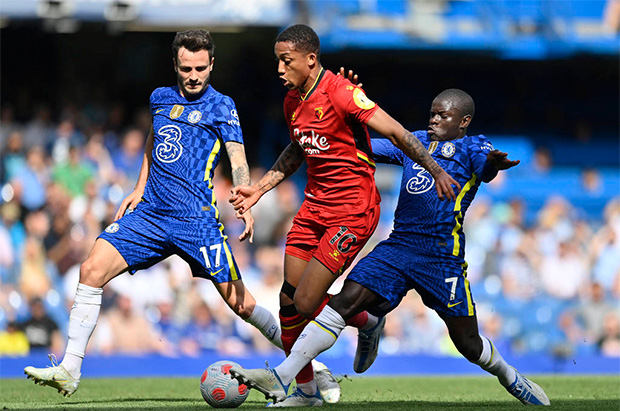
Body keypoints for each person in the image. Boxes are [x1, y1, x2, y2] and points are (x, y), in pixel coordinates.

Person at [23, 29, 337, 399]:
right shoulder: (159, 98)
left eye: (201, 68)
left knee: (243, 304)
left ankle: (312, 367)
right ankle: (70, 370)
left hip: (197, 222)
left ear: (212, 65)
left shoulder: (222, 106)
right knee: (91, 270)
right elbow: (153, 142)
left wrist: (243, 197)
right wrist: (139, 187)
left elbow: (236, 156)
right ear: (175, 64)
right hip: (151, 215)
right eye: (186, 68)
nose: (193, 76)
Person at [230, 88, 551, 406]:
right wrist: (342, 122)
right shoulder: (416, 142)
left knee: (467, 343)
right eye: (432, 113)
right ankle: (285, 375)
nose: (434, 119)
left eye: (443, 115)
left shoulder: (473, 146)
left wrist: (493, 165)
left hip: (440, 256)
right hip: (398, 247)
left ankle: (511, 378)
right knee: (344, 302)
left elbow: (486, 167)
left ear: (464, 121)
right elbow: (365, 146)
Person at [229, 24, 460, 407]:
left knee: (305, 301)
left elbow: (399, 132)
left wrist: (435, 169)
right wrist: (260, 188)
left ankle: (367, 324)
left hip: (352, 210)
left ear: (310, 59)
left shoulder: (342, 93)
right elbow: (297, 149)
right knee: (289, 302)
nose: (280, 69)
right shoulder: (292, 102)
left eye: (286, 61)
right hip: (313, 208)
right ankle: (306, 393)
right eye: (278, 62)